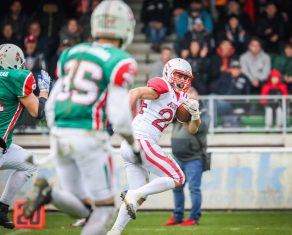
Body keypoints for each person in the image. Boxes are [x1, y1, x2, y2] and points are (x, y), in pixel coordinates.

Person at [23, 1, 139, 235]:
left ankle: (49, 194)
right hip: (89, 134)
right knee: (105, 211)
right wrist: (133, 143)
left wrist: (56, 130)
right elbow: (119, 113)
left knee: (84, 207)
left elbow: (55, 99)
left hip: (59, 133)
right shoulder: (121, 60)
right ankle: (50, 194)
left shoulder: (72, 53)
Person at [107, 58, 201, 235]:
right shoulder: (163, 85)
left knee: (140, 196)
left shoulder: (180, 97)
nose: (182, 81)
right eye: (179, 75)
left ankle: (115, 231)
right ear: (168, 72)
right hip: (141, 140)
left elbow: (192, 129)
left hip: (131, 146)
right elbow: (134, 92)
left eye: (186, 78)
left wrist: (195, 115)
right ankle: (131, 195)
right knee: (178, 177)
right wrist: (121, 118)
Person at [0, 43, 50, 229]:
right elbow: (38, 112)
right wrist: (44, 91)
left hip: (4, 145)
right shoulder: (17, 77)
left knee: (29, 163)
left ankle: (2, 208)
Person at [163, 87, 210, 226]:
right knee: (176, 187)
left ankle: (194, 217)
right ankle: (177, 216)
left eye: (191, 93)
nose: (188, 95)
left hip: (194, 157)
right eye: (186, 93)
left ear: (198, 96)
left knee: (194, 188)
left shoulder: (205, 112)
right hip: (177, 157)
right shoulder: (178, 111)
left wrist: (189, 114)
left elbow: (201, 128)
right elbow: (166, 117)